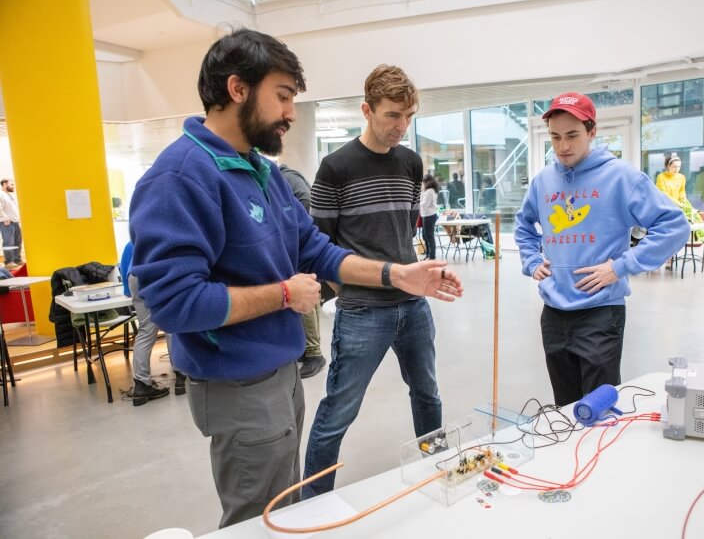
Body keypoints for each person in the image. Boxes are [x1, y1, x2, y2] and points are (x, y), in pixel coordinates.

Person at [128, 31, 462, 528]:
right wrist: (285, 294)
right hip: (237, 383)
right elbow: (175, 303)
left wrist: (400, 275)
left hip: (279, 375)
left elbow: (318, 250)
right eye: (283, 97)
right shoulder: (180, 177)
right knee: (254, 519)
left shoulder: (259, 171)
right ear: (238, 89)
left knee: (282, 509)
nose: (291, 113)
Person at [305, 64, 445, 498]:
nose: (401, 126)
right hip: (362, 311)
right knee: (337, 412)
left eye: (408, 116)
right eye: (391, 116)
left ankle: (438, 468)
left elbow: (405, 233)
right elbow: (318, 246)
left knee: (427, 394)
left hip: (413, 305)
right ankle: (311, 502)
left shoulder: (411, 162)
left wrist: (420, 273)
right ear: (367, 110)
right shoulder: (335, 167)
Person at [514, 92, 689, 407]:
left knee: (598, 407)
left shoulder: (622, 177)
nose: (563, 146)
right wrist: (531, 260)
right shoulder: (543, 181)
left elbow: (674, 225)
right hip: (553, 313)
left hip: (600, 312)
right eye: (555, 137)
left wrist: (620, 267)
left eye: (572, 135)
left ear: (592, 132)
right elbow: (524, 226)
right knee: (566, 408)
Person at [120, 242, 185, 405]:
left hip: (135, 277)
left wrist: (129, 292)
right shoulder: (167, 232)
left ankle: (141, 386)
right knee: (171, 327)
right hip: (158, 274)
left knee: (145, 331)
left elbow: (125, 265)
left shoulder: (133, 240)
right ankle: (181, 378)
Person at [279, 164, 327, 379]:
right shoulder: (288, 177)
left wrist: (294, 233)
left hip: (301, 243)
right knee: (310, 293)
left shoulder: (283, 179)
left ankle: (314, 353)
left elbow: (307, 201)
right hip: (302, 241)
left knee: (302, 293)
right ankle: (310, 349)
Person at [656, 153, 704, 243]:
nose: (677, 169)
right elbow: (663, 194)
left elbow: (682, 191)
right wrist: (677, 203)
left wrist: (683, 199)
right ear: (668, 166)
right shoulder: (661, 177)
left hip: (678, 207)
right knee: (668, 233)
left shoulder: (681, 177)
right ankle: (668, 254)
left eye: (679, 167)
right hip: (666, 207)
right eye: (674, 167)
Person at [0, 178, 23, 268]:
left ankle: (17, 259)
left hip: (15, 221)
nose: (14, 186)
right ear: (5, 184)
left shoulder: (8, 195)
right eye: (12, 184)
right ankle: (8, 262)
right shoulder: (1, 194)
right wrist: (5, 218)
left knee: (17, 241)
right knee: (8, 242)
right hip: (7, 222)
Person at [420, 174, 440, 260]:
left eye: (423, 182)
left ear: (426, 182)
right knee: (425, 236)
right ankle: (428, 254)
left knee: (429, 236)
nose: (423, 184)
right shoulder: (431, 191)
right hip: (427, 215)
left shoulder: (429, 192)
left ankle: (432, 256)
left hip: (429, 216)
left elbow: (424, 205)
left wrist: (418, 203)